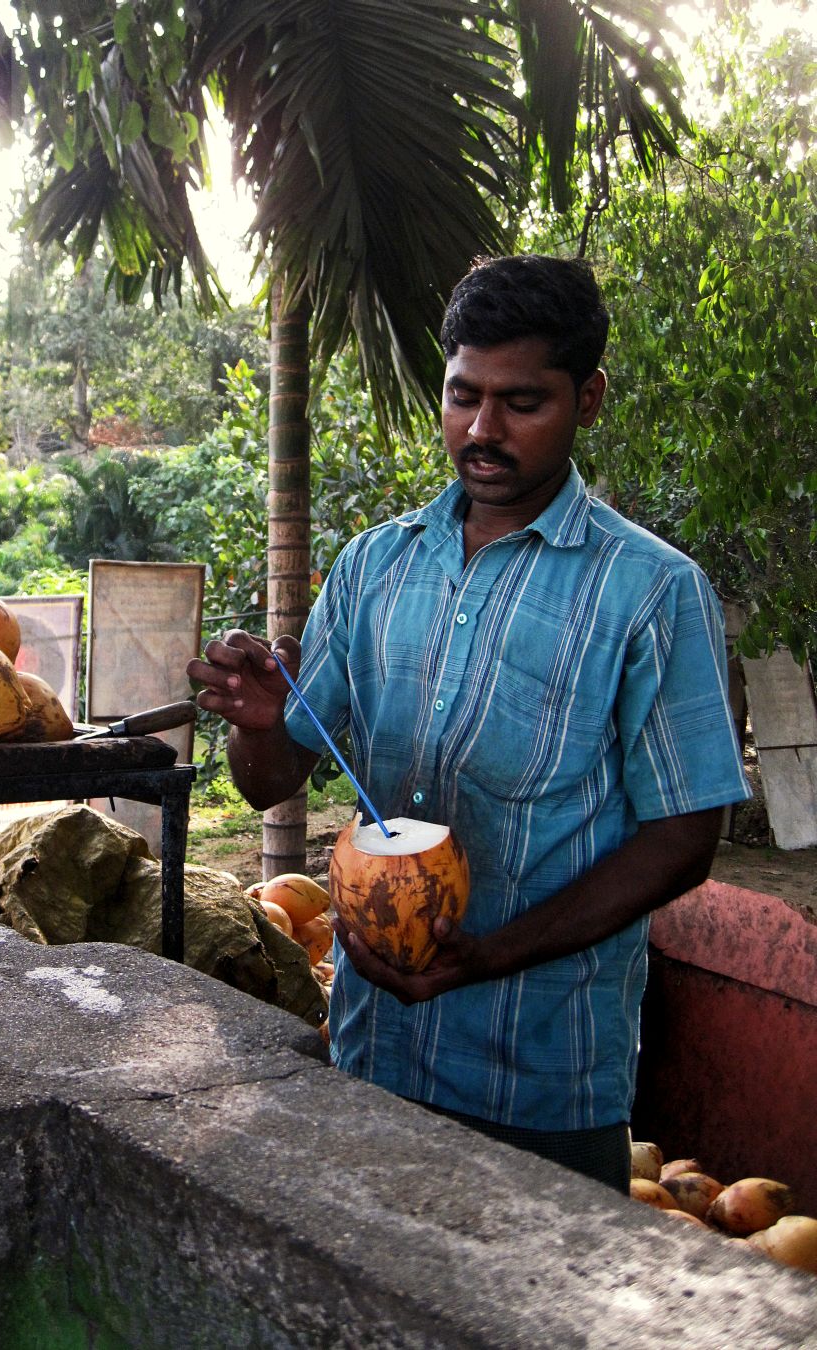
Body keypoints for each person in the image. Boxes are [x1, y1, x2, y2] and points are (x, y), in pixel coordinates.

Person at [187, 254, 750, 1192]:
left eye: (521, 402)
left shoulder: (650, 591)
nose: (482, 431)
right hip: (371, 1053)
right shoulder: (376, 568)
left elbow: (686, 837)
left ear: (589, 398)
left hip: (541, 1080)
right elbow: (273, 778)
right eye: (463, 395)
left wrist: (486, 957)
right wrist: (256, 722)